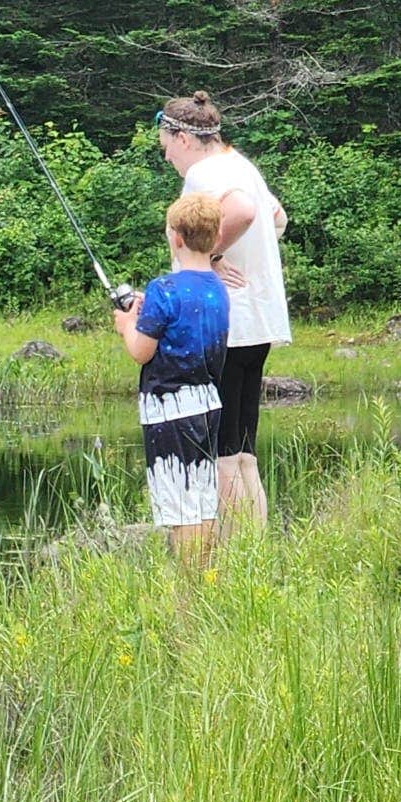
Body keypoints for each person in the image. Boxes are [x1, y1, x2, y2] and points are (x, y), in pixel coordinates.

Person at [154, 91, 290, 533]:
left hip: (224, 323)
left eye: (167, 146)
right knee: (244, 448)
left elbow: (245, 212)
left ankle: (232, 548)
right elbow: (277, 217)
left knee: (223, 450)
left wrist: (209, 256)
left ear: (183, 139)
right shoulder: (241, 165)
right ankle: (256, 546)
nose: (167, 157)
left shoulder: (204, 173)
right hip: (258, 321)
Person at [112, 193, 230, 565]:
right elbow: (186, 313)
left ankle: (189, 583)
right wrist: (147, 309)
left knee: (180, 506)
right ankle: (207, 574)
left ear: (176, 238)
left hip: (169, 409)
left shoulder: (163, 290)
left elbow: (141, 351)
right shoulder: (218, 287)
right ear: (215, 238)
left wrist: (126, 324)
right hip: (208, 404)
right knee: (202, 498)